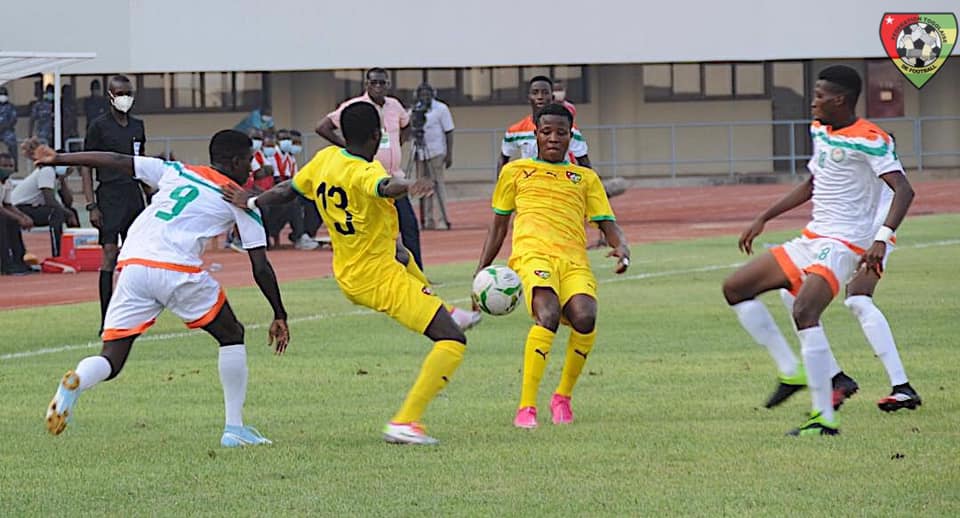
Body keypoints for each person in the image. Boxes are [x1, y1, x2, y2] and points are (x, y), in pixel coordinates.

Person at [224, 102, 463, 445]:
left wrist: (250, 201)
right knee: (452, 339)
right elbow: (383, 187)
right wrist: (408, 185)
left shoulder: (325, 160)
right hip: (378, 277)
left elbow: (287, 189)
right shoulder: (364, 172)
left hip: (355, 269)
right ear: (376, 136)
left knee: (402, 253)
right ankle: (405, 423)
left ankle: (449, 309)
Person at [35, 129, 290, 447]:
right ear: (236, 161)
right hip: (175, 269)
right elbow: (261, 266)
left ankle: (77, 381)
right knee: (231, 334)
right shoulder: (240, 199)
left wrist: (58, 158)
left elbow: (115, 160)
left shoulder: (175, 170)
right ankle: (234, 429)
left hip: (133, 266)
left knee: (112, 358)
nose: (251, 168)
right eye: (249, 161)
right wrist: (279, 312)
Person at [721, 65, 915, 436]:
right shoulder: (820, 130)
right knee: (735, 288)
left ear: (839, 99)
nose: (813, 101)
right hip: (812, 238)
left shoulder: (871, 138)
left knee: (804, 309)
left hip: (844, 244)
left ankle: (823, 415)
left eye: (820, 95)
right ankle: (790, 370)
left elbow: (904, 190)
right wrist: (764, 215)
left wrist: (881, 238)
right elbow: (813, 183)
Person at [475, 103, 631, 428]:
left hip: (574, 260)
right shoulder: (514, 172)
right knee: (547, 315)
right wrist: (482, 271)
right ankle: (526, 407)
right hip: (533, 256)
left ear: (570, 137)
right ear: (536, 134)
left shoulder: (584, 178)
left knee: (585, 318)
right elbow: (498, 226)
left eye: (561, 133)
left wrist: (622, 248)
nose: (553, 139)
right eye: (546, 132)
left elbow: (607, 223)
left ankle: (562, 397)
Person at [775, 181, 921, 412]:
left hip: (870, 238)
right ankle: (836, 378)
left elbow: (898, 192)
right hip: (839, 237)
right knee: (790, 294)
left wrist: (879, 238)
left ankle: (902, 387)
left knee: (858, 300)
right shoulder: (841, 153)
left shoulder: (876, 150)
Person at [316, 68, 425, 271]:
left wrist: (399, 142)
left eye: (382, 83)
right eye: (373, 83)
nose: (378, 87)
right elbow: (322, 126)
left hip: (393, 178)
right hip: (367, 179)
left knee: (409, 227)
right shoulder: (356, 107)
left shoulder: (394, 106)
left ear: (388, 85)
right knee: (373, 230)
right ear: (366, 84)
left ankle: (417, 273)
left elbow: (407, 124)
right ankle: (371, 271)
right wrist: (347, 147)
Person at [81, 75, 148, 331]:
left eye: (128, 93)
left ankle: (133, 313)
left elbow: (141, 162)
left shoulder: (138, 126)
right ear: (110, 95)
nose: (125, 98)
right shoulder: (98, 127)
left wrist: (151, 190)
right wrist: (91, 204)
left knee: (136, 255)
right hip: (109, 195)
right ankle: (106, 318)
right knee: (109, 253)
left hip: (133, 193)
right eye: (120, 93)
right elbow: (86, 165)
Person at [498, 76, 591, 172]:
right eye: (535, 93)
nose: (540, 97)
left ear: (552, 97)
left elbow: (583, 161)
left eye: (545, 92)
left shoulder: (569, 129)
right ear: (528, 97)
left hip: (561, 183)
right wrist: (500, 184)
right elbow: (503, 158)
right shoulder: (516, 131)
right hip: (531, 183)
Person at [12, 141, 79, 257]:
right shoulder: (47, 171)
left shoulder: (55, 176)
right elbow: (50, 201)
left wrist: (63, 180)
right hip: (19, 209)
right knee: (56, 213)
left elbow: (68, 202)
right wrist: (68, 214)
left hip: (31, 207)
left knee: (71, 211)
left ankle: (77, 248)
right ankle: (58, 254)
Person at [410, 83, 454, 230]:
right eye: (422, 95)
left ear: (433, 95)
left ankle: (443, 219)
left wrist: (449, 154)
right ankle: (427, 220)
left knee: (438, 185)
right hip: (420, 153)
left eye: (427, 95)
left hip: (436, 151)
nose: (425, 98)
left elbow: (449, 131)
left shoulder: (441, 109)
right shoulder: (414, 110)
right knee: (423, 186)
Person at [0, 152, 33, 274]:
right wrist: (18, 218)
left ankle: (19, 260)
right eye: (4, 166)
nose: (8, 169)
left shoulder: (7, 182)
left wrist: (23, 217)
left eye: (10, 166)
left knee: (12, 221)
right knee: (3, 220)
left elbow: (8, 204)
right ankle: (5, 264)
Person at [0, 86, 18, 169]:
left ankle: (14, 166)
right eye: (1, 94)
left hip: (7, 131)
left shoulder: (11, 107)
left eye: (4, 94)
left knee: (13, 143)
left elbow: (13, 120)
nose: (2, 96)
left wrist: (3, 127)